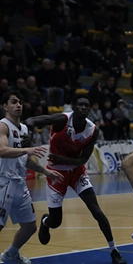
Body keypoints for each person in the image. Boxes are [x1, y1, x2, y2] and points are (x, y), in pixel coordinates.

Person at [24, 94, 127, 264]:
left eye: (86, 105)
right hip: (55, 174)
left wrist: (65, 160)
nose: (84, 107)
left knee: (97, 212)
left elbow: (83, 160)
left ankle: (114, 251)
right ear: (73, 107)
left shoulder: (93, 130)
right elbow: (31, 120)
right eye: (80, 104)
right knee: (55, 221)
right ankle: (45, 222)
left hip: (77, 172)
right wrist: (29, 134)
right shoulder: (61, 120)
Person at [0, 90, 63, 264]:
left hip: (20, 183)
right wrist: (26, 149)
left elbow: (23, 160)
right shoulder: (3, 125)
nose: (18, 105)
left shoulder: (25, 129)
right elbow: (2, 151)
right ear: (5, 107)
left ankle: (10, 255)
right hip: (4, 183)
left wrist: (46, 171)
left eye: (19, 102)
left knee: (29, 227)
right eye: (13, 102)